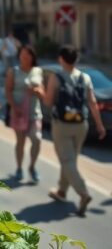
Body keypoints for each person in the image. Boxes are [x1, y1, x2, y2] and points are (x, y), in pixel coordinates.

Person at [43, 45, 106, 217]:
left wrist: (41, 93)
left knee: (66, 160)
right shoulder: (85, 78)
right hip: (81, 124)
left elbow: (48, 103)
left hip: (62, 124)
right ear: (76, 60)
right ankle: (62, 191)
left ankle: (83, 193)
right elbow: (92, 103)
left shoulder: (56, 78)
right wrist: (100, 125)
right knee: (70, 160)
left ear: (61, 59)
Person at [5, 46, 44, 183]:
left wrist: (37, 91)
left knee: (37, 139)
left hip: (34, 112)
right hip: (19, 112)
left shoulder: (38, 71)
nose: (25, 57)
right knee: (20, 142)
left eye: (28, 55)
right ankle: (19, 168)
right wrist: (14, 107)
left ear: (32, 57)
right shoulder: (13, 71)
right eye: (22, 55)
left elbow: (43, 93)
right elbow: (8, 91)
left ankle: (32, 167)